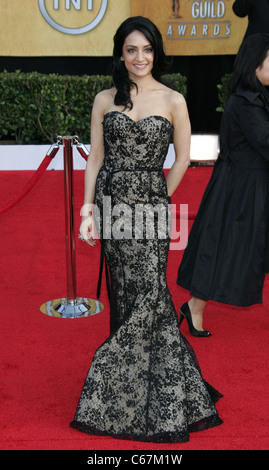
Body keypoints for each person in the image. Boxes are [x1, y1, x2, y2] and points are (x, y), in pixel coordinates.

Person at [70, 16, 222, 443]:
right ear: (121, 52)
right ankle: (133, 391)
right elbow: (95, 158)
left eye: (147, 50)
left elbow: (182, 159)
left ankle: (130, 385)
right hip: (111, 207)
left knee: (150, 292)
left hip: (151, 213)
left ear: (157, 53)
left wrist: (160, 200)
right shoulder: (104, 99)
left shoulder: (173, 99)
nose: (140, 58)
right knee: (126, 294)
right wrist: (86, 211)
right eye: (132, 49)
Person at [177, 33, 269, 338]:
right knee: (224, 250)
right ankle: (194, 307)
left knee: (224, 249)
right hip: (243, 190)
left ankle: (194, 307)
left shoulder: (255, 96)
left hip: (244, 183)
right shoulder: (247, 102)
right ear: (255, 65)